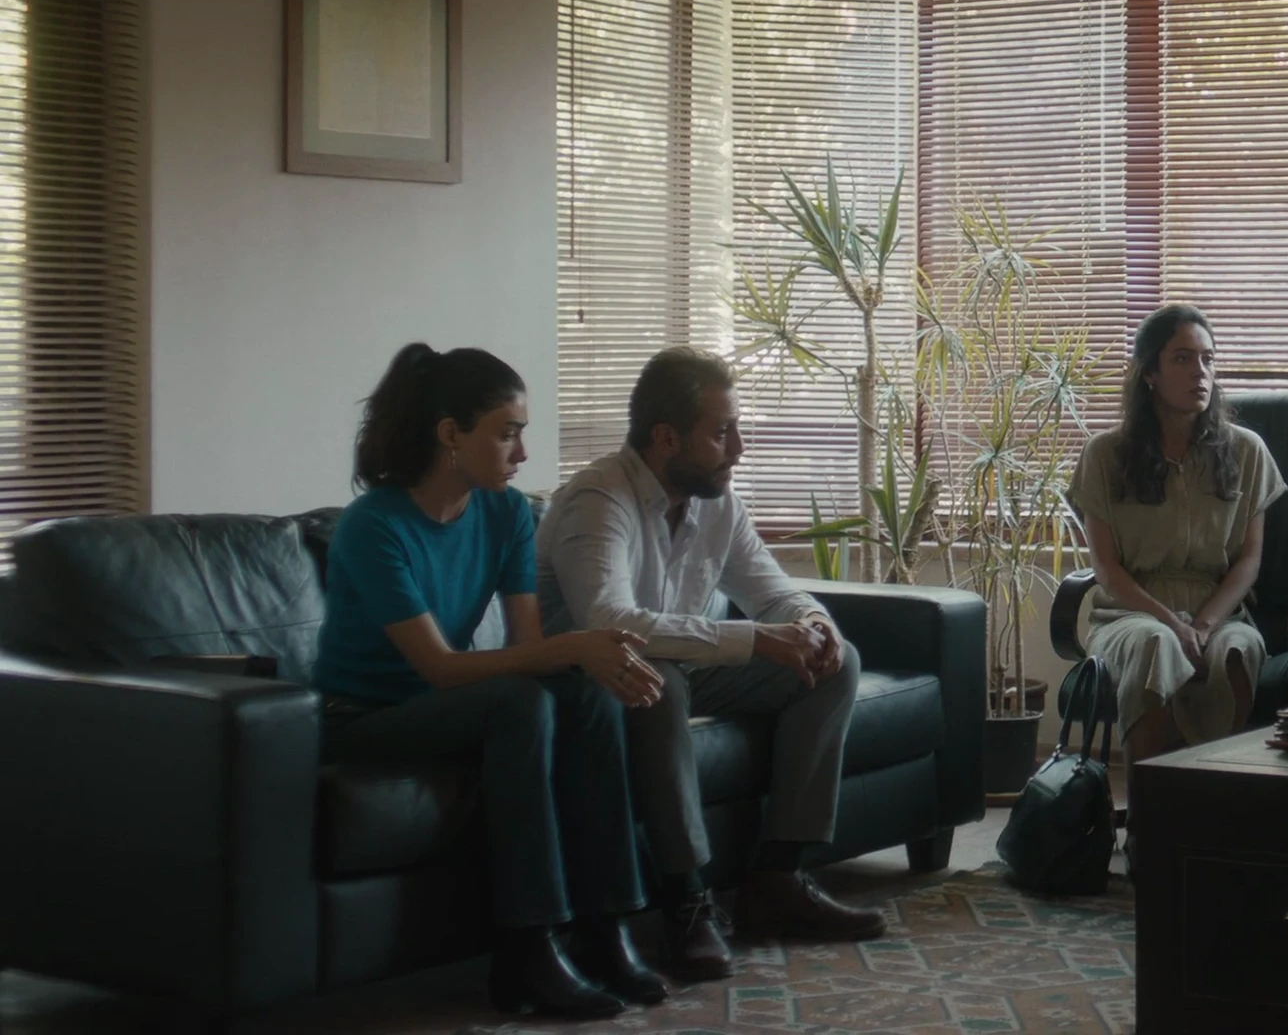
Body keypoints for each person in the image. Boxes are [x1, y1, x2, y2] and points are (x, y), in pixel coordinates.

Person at [313, 343, 669, 1020]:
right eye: (507, 433)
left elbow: (527, 648)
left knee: (584, 695)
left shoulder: (505, 513)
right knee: (518, 704)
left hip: (445, 705)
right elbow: (440, 667)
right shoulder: (373, 527)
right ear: (451, 434)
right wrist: (576, 645)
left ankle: (606, 928)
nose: (522, 453)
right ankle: (528, 947)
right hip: (362, 717)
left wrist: (585, 659)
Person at [536, 344, 887, 985]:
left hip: (689, 664)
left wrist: (813, 624)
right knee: (657, 682)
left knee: (835, 664)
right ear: (666, 438)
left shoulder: (714, 500)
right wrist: (753, 639)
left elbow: (771, 589)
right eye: (722, 432)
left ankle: (777, 877)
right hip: (595, 681)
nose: (739, 448)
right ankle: (686, 902)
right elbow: (612, 622)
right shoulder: (598, 499)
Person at [1068, 303, 1287, 767]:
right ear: (1150, 373)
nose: (1199, 372)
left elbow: (1249, 561)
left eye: (1208, 359)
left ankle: (1212, 793)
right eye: (1183, 359)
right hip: (1131, 614)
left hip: (1218, 611)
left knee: (1238, 649)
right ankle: (1149, 806)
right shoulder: (1105, 455)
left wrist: (1203, 625)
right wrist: (1173, 623)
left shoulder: (1246, 451)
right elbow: (1106, 569)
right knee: (1157, 644)